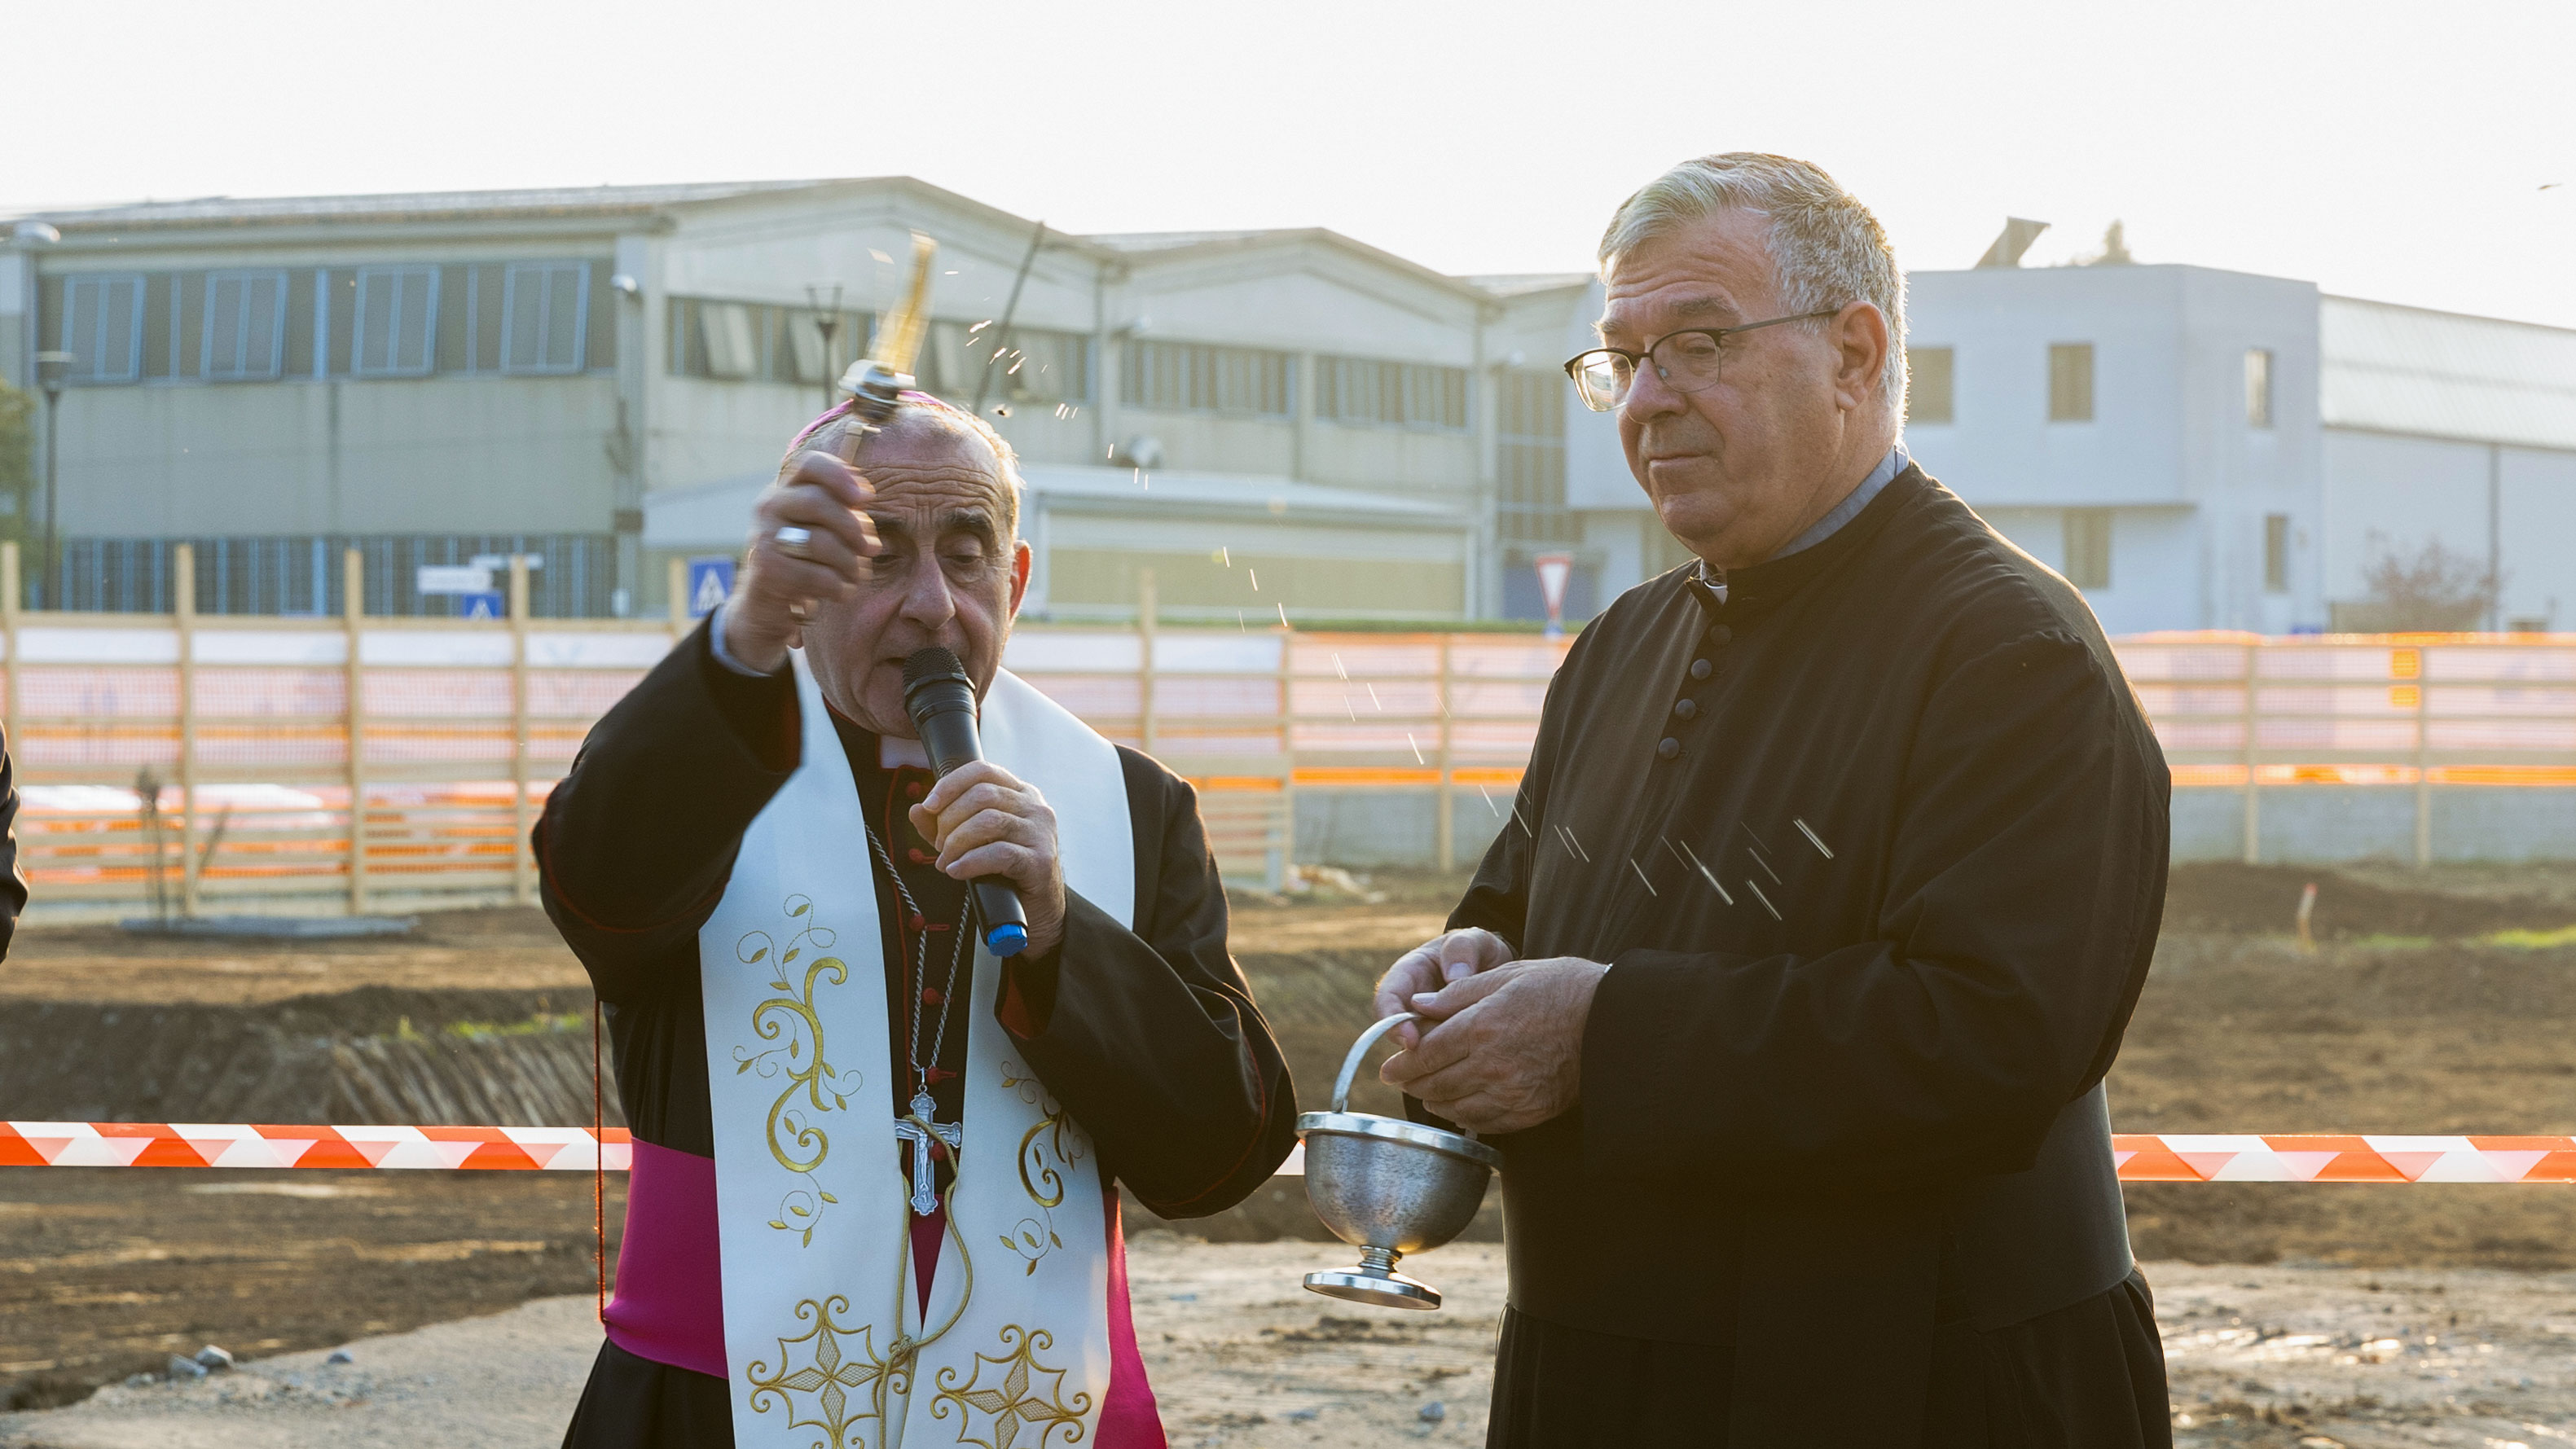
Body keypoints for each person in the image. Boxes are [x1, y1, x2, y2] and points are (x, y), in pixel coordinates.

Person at [1374, 153, 2173, 1447]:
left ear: (1854, 355)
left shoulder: (2007, 650)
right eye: (1620, 362)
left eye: (1696, 343)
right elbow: (1527, 913)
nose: (1648, 401)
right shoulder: (1620, 644)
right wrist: (1463, 981)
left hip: (1909, 1381)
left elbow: (1990, 1040)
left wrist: (1600, 1034)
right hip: (1595, 1372)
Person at [543, 392, 1295, 1448]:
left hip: (1034, 1405)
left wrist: (1058, 936)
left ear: (1016, 579)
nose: (934, 604)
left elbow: (1221, 1150)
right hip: (717, 1407)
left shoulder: (1130, 807)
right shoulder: (700, 761)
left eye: (966, 552)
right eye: (880, 557)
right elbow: (595, 887)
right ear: (801, 586)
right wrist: (744, 636)